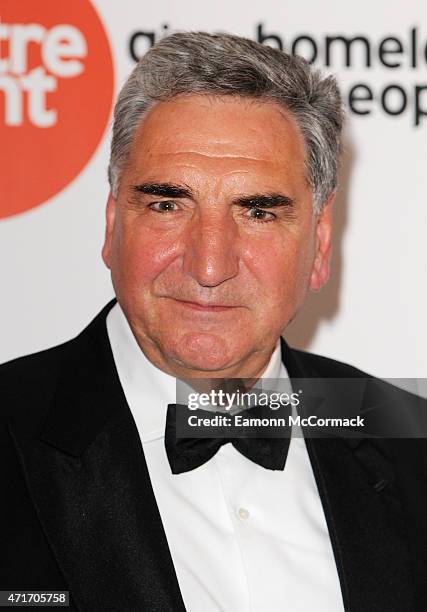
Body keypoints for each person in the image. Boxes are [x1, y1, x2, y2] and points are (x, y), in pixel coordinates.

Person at [1, 32, 426, 612]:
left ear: (320, 245)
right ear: (111, 224)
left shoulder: (406, 434)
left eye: (258, 212)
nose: (208, 264)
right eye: (167, 205)